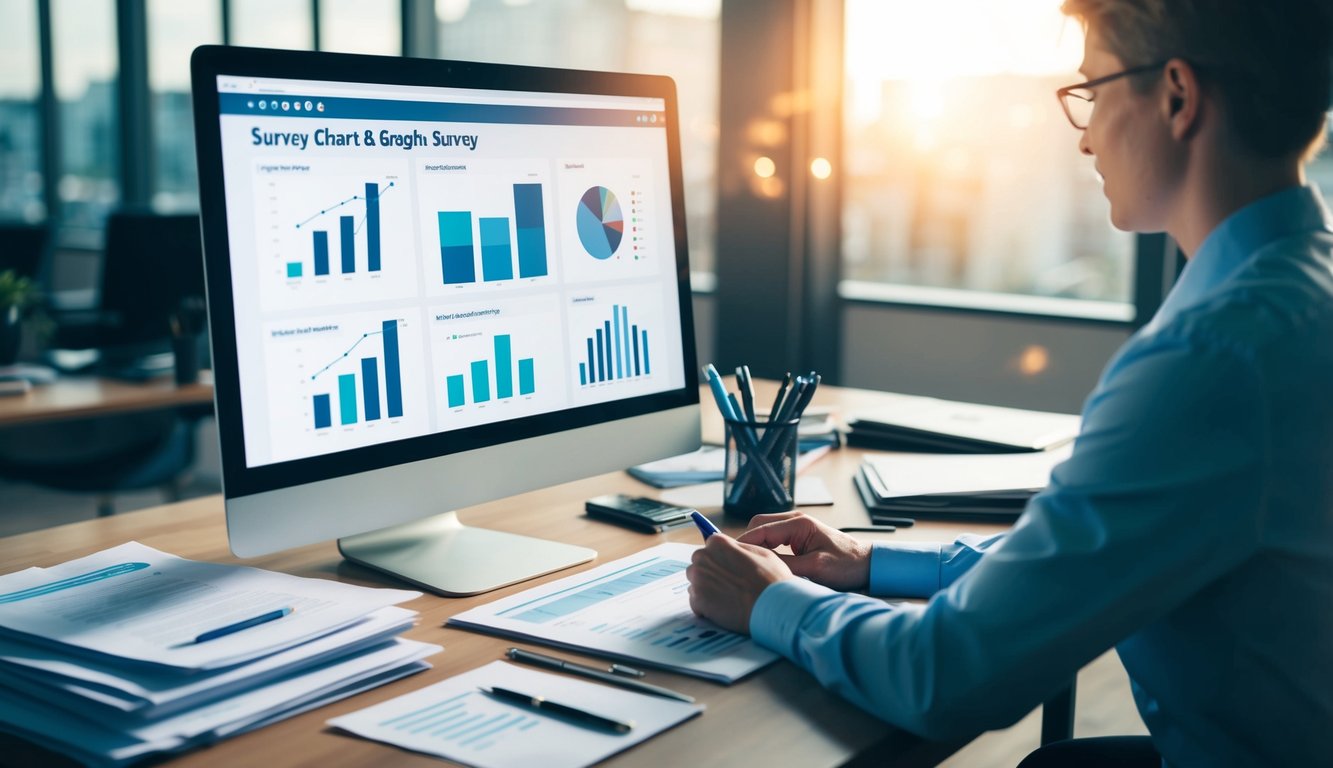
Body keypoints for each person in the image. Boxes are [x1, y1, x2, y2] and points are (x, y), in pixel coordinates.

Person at [685, 1, 1333, 765]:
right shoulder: (1296, 289)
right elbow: (1091, 556)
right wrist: (869, 565)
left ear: (1178, 97)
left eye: (1091, 91)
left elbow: (947, 675)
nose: (1085, 135)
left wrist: (769, 601)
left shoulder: (1211, 362)